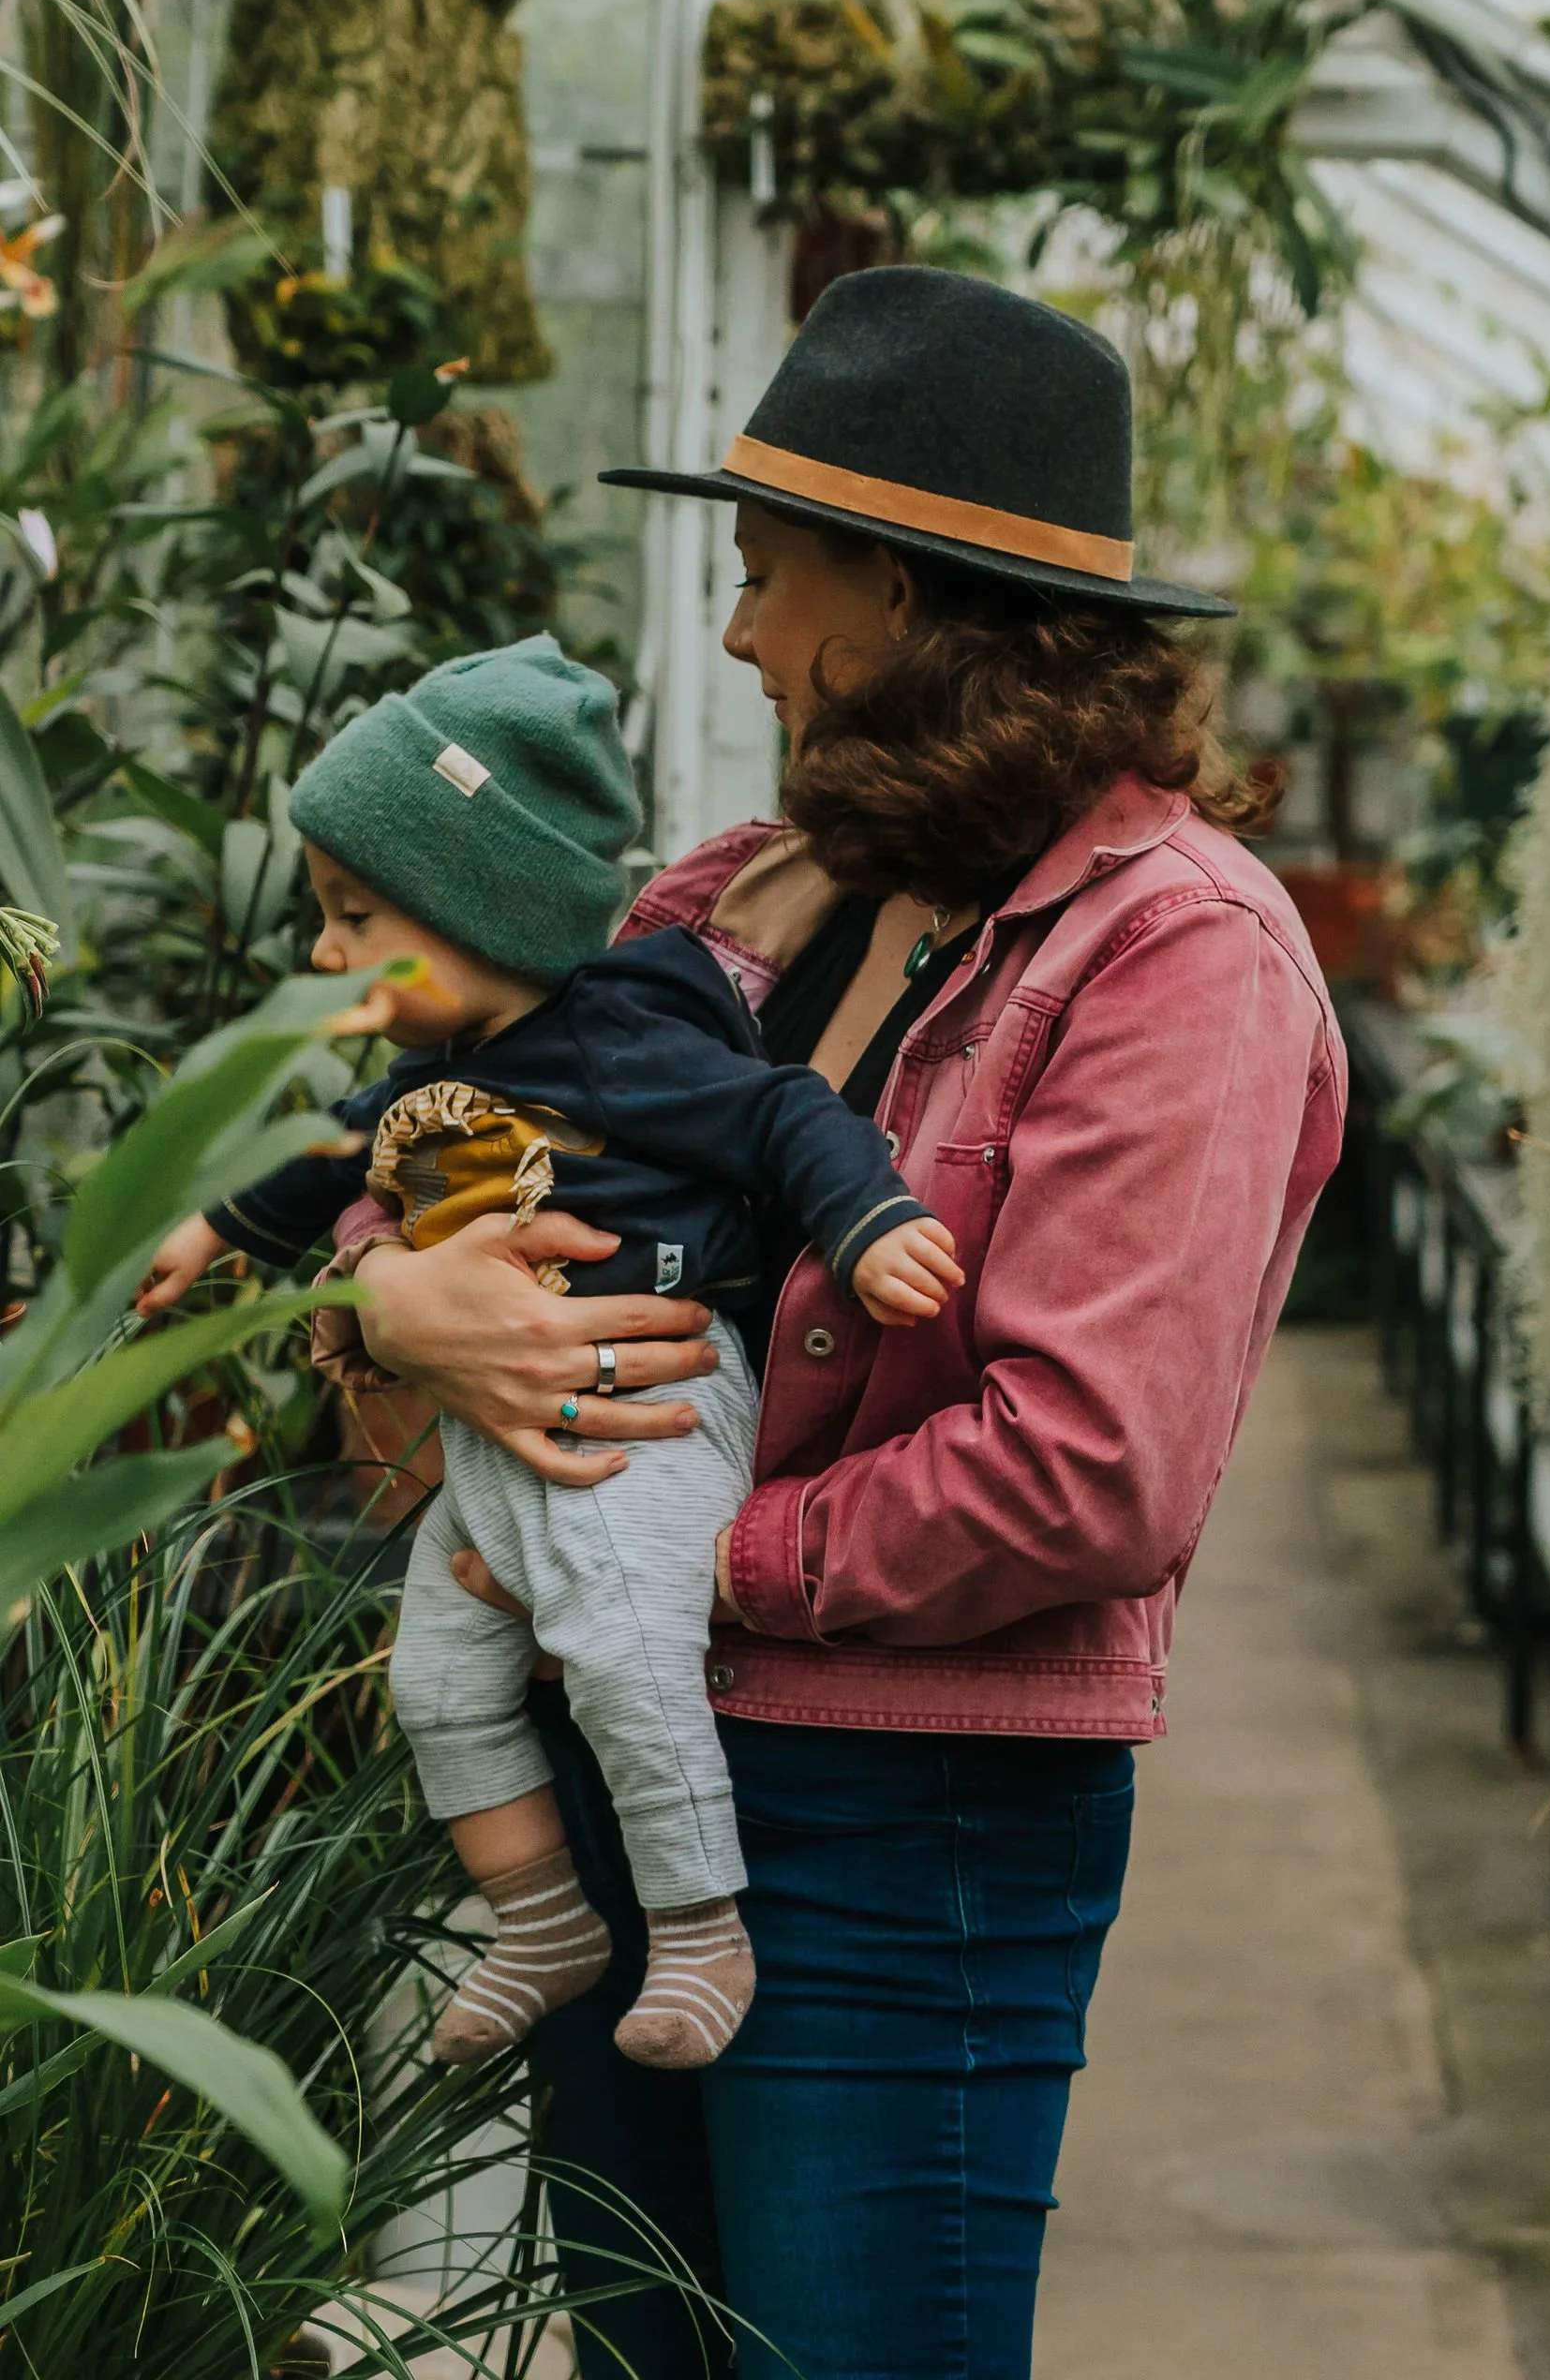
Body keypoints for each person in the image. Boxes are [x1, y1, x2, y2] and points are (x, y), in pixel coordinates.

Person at [314, 268, 1347, 2380]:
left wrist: (692, 1558)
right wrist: (395, 1298)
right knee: (644, 2350)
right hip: (636, 1776)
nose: (737, 637)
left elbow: (1093, 1464)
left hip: (909, 1830)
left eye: (771, 577)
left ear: (899, 595)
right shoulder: (733, 903)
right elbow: (444, 1137)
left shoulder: (1175, 962)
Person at [140, 634, 961, 2075]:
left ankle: (703, 1928)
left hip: (652, 1409)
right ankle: (541, 1920)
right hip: (506, 1449)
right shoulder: (427, 1081)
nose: (324, 952)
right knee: (438, 1683)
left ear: (483, 910)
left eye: (352, 915)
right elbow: (324, 1160)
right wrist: (210, 1230)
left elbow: (783, 1120)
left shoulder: (623, 1038)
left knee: (627, 1659)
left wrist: (876, 1216)